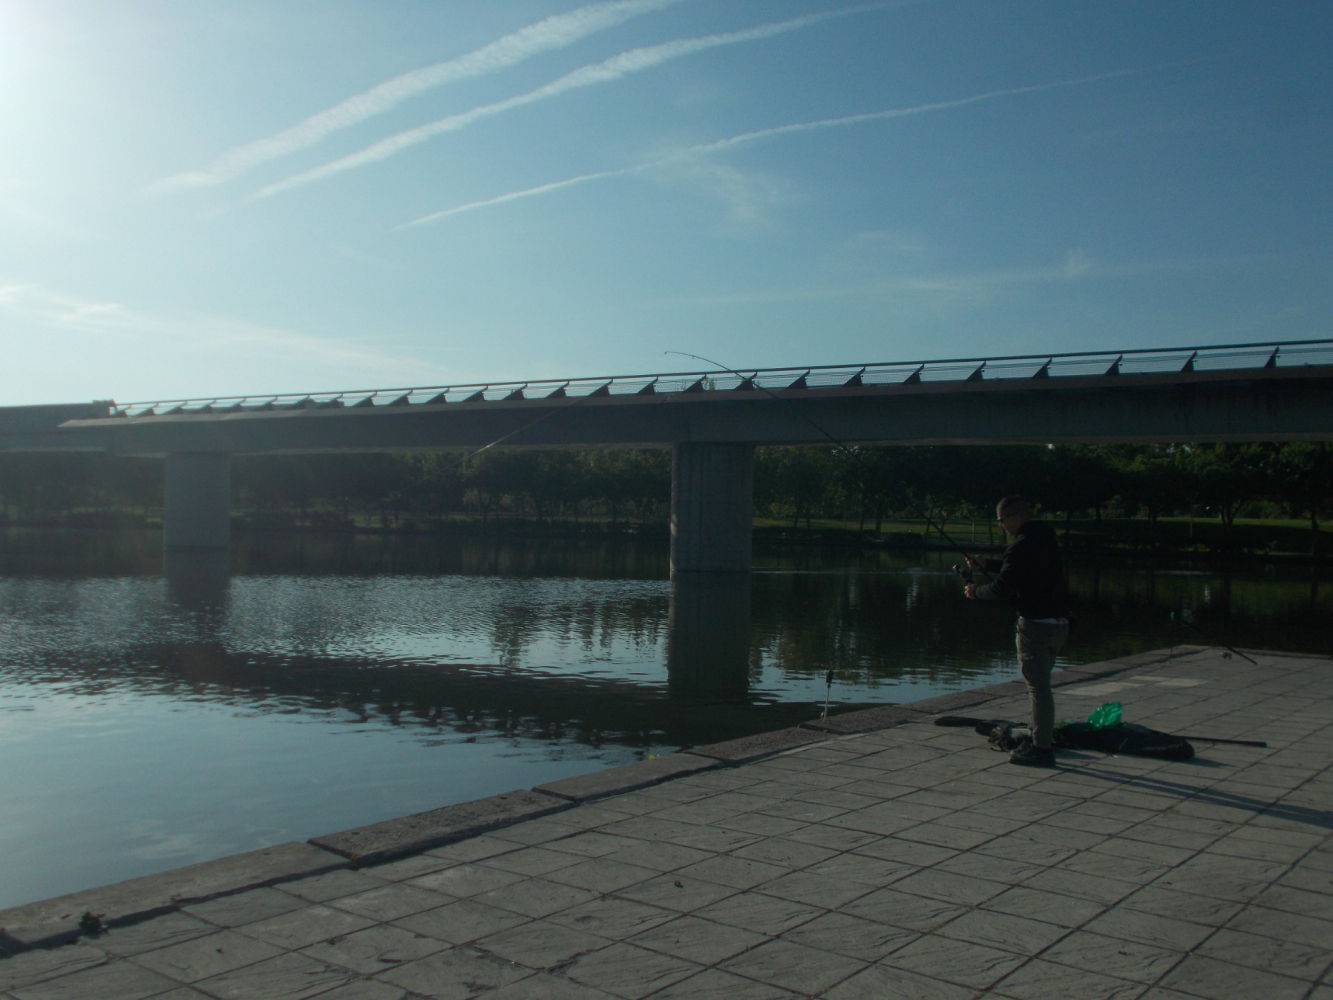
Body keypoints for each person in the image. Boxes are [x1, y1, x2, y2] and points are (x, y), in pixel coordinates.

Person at [963, 496, 1070, 767]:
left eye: (1001, 520)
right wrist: (987, 564)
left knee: (1039, 690)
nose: (1001, 526)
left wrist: (975, 591)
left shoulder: (1020, 547)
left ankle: (1042, 748)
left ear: (1014, 516)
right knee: (1042, 686)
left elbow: (1001, 588)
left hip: (1035, 626)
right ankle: (1041, 738)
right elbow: (1019, 573)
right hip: (1059, 624)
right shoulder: (1046, 540)